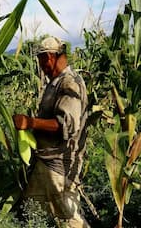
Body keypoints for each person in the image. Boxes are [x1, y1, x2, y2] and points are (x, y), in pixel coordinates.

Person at [13, 36, 89, 228]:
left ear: (49, 57)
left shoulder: (69, 83)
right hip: (45, 163)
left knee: (70, 220)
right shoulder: (55, 82)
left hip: (60, 168)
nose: (41, 68)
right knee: (30, 210)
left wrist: (30, 122)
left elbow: (67, 125)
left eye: (41, 62)